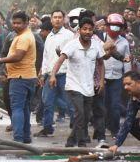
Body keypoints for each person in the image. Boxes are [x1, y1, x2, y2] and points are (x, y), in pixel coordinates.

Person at [49, 18, 104, 147]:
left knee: (85, 115)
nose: (87, 32)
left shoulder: (96, 45)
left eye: (90, 29)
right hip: (74, 85)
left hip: (89, 86)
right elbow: (60, 60)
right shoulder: (72, 45)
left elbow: (101, 63)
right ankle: (82, 140)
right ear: (79, 30)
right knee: (80, 113)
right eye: (84, 29)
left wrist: (101, 81)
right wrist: (53, 75)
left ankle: (71, 139)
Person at [0, 11, 37, 144]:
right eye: (14, 23)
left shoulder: (24, 37)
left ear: (26, 23)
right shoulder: (23, 35)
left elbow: (18, 56)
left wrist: (0, 60)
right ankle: (26, 136)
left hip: (20, 77)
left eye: (19, 23)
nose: (16, 25)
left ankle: (17, 138)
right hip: (27, 76)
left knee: (17, 107)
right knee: (24, 108)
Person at [34, 10, 74, 138]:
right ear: (51, 20)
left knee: (70, 103)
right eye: (55, 17)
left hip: (64, 74)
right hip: (49, 73)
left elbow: (72, 55)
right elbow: (46, 57)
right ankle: (47, 128)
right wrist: (42, 73)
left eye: (60, 17)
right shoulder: (49, 36)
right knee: (47, 102)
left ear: (64, 19)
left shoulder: (69, 35)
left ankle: (77, 130)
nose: (57, 19)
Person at [99, 13, 131, 144]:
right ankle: (104, 127)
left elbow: (127, 60)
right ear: (107, 27)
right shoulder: (100, 39)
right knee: (103, 104)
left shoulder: (124, 43)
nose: (115, 30)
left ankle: (115, 130)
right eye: (112, 26)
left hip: (117, 77)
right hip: (102, 77)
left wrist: (128, 77)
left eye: (118, 27)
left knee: (115, 105)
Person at [109, 71, 140, 154]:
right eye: (124, 85)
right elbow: (128, 122)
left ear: (138, 83)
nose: (125, 87)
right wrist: (116, 145)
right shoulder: (133, 99)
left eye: (129, 84)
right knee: (132, 124)